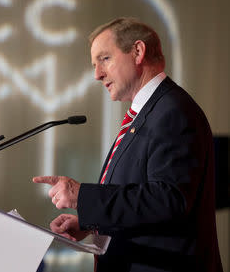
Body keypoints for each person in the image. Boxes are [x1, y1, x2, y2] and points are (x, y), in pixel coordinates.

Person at [33, 17, 223, 272]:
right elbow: (140, 196)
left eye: (105, 59)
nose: (97, 74)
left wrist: (82, 196)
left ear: (137, 51)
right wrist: (91, 223)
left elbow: (169, 199)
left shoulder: (173, 111)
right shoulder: (148, 114)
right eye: (94, 64)